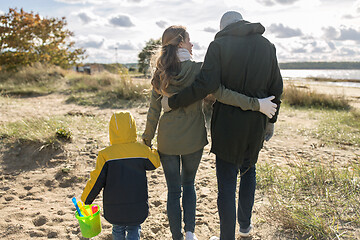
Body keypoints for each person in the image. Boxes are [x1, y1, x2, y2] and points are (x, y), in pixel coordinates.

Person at [142, 25, 278, 240]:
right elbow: (222, 94)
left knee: (173, 191)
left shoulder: (161, 72)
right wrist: (256, 104)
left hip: (167, 140)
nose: (192, 43)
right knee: (189, 185)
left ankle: (177, 237)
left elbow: (153, 111)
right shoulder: (199, 69)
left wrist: (146, 140)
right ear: (180, 42)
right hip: (193, 139)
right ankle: (189, 234)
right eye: (189, 40)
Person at [81, 111, 160, 240]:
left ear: (112, 130)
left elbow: (96, 180)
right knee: (134, 227)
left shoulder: (105, 155)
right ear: (133, 128)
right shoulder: (142, 150)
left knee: (117, 228)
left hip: (114, 207)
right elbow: (155, 163)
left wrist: (86, 200)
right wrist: (150, 148)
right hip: (137, 204)